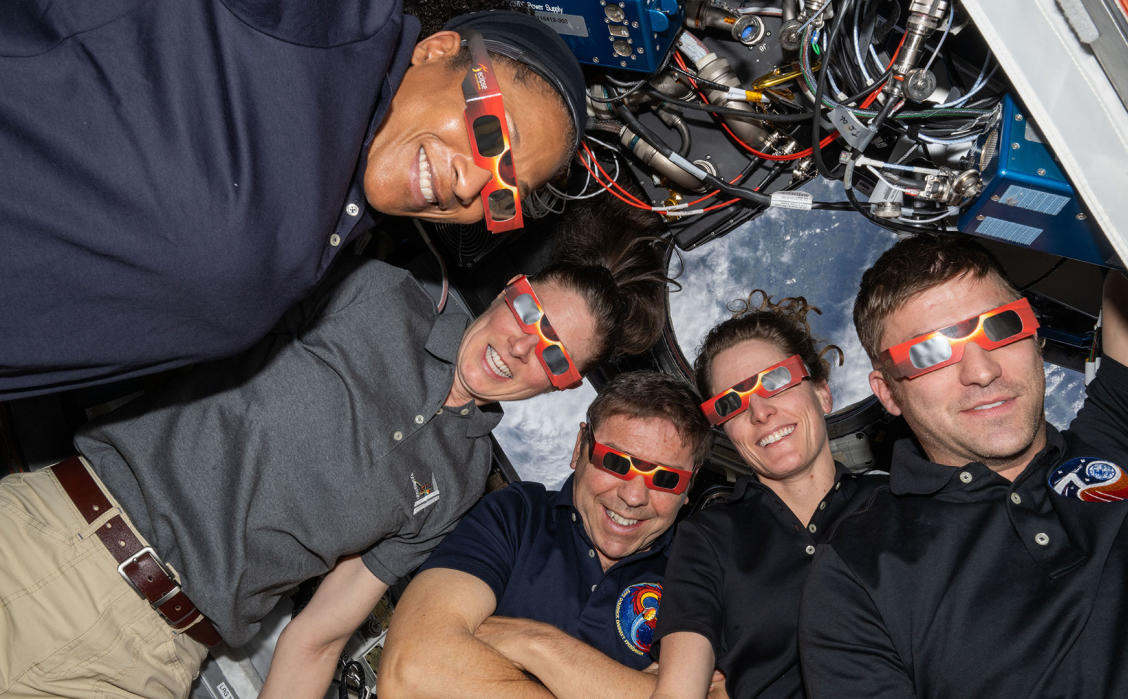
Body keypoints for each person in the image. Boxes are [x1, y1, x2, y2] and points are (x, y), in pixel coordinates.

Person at [0, 219, 670, 698]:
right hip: (49, 538)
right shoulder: (374, 289)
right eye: (528, 311)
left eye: (556, 355)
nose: (525, 345)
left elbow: (320, 634)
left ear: (558, 382)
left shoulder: (461, 480)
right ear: (508, 289)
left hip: (149, 657)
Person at [0, 3, 587, 400]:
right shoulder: (328, 24)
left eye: (502, 194)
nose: (471, 188)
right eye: (492, 136)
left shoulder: (343, 233)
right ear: (437, 51)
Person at [798, 234, 1128, 696]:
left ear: (1034, 335)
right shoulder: (855, 574)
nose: (982, 371)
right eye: (929, 353)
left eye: (1000, 326)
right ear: (888, 392)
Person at [376, 371, 713, 697]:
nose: (634, 496)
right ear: (580, 446)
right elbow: (412, 670)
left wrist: (535, 643)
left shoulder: (703, 585)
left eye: (666, 479)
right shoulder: (517, 516)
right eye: (616, 462)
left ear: (688, 489)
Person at [650, 293, 886, 698]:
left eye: (775, 381)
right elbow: (678, 690)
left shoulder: (898, 501)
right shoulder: (708, 540)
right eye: (731, 402)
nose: (759, 411)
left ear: (822, 393)